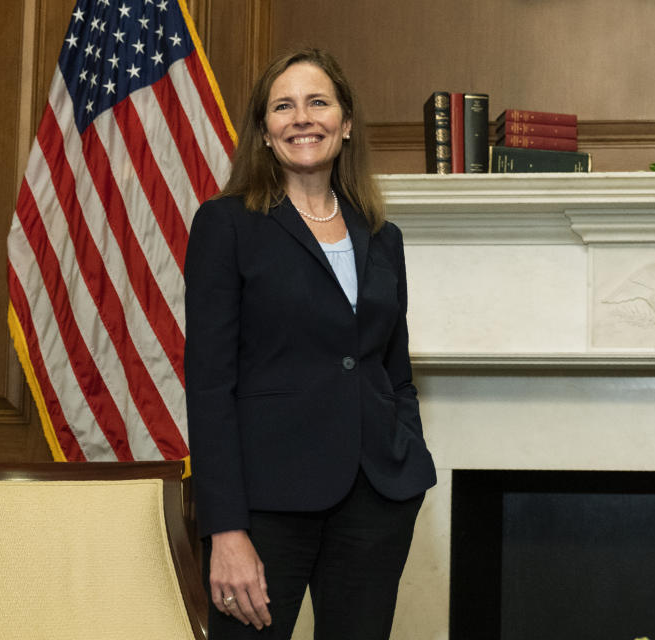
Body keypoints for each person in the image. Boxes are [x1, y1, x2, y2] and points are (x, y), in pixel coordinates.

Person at [184, 47, 437, 640]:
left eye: (318, 102)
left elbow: (393, 371)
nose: (302, 117)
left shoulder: (382, 236)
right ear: (265, 132)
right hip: (264, 506)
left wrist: (408, 451)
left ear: (346, 124)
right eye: (283, 106)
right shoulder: (226, 226)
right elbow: (210, 385)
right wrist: (225, 529)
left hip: (376, 499)